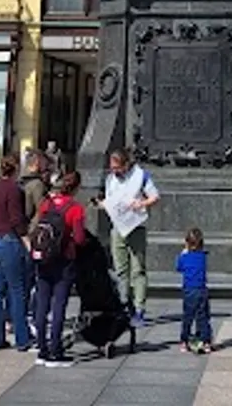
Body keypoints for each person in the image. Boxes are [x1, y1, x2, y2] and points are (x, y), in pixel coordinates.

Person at [32, 169, 88, 368]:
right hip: (65, 261)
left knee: (42, 304)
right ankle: (56, 350)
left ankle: (41, 349)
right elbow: (80, 239)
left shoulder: (46, 203)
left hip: (44, 260)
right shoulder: (76, 208)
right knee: (59, 306)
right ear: (77, 188)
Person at [102, 149, 160, 327]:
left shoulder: (141, 176)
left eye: (117, 168)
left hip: (136, 226)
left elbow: (155, 196)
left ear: (126, 165)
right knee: (120, 270)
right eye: (112, 168)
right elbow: (109, 200)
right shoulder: (110, 179)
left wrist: (141, 203)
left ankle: (139, 308)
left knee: (138, 269)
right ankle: (124, 305)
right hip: (118, 227)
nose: (114, 171)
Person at [0, 154, 33, 352]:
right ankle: (22, 338)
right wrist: (27, 240)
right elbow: (16, 218)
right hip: (8, 241)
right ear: (16, 169)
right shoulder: (14, 189)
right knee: (17, 291)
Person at [175, 227, 214, 354]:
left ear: (186, 243)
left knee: (187, 317)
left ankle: (184, 341)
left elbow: (179, 268)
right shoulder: (203, 257)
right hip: (202, 290)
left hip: (189, 291)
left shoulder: (185, 257)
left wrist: (183, 253)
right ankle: (206, 342)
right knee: (203, 317)